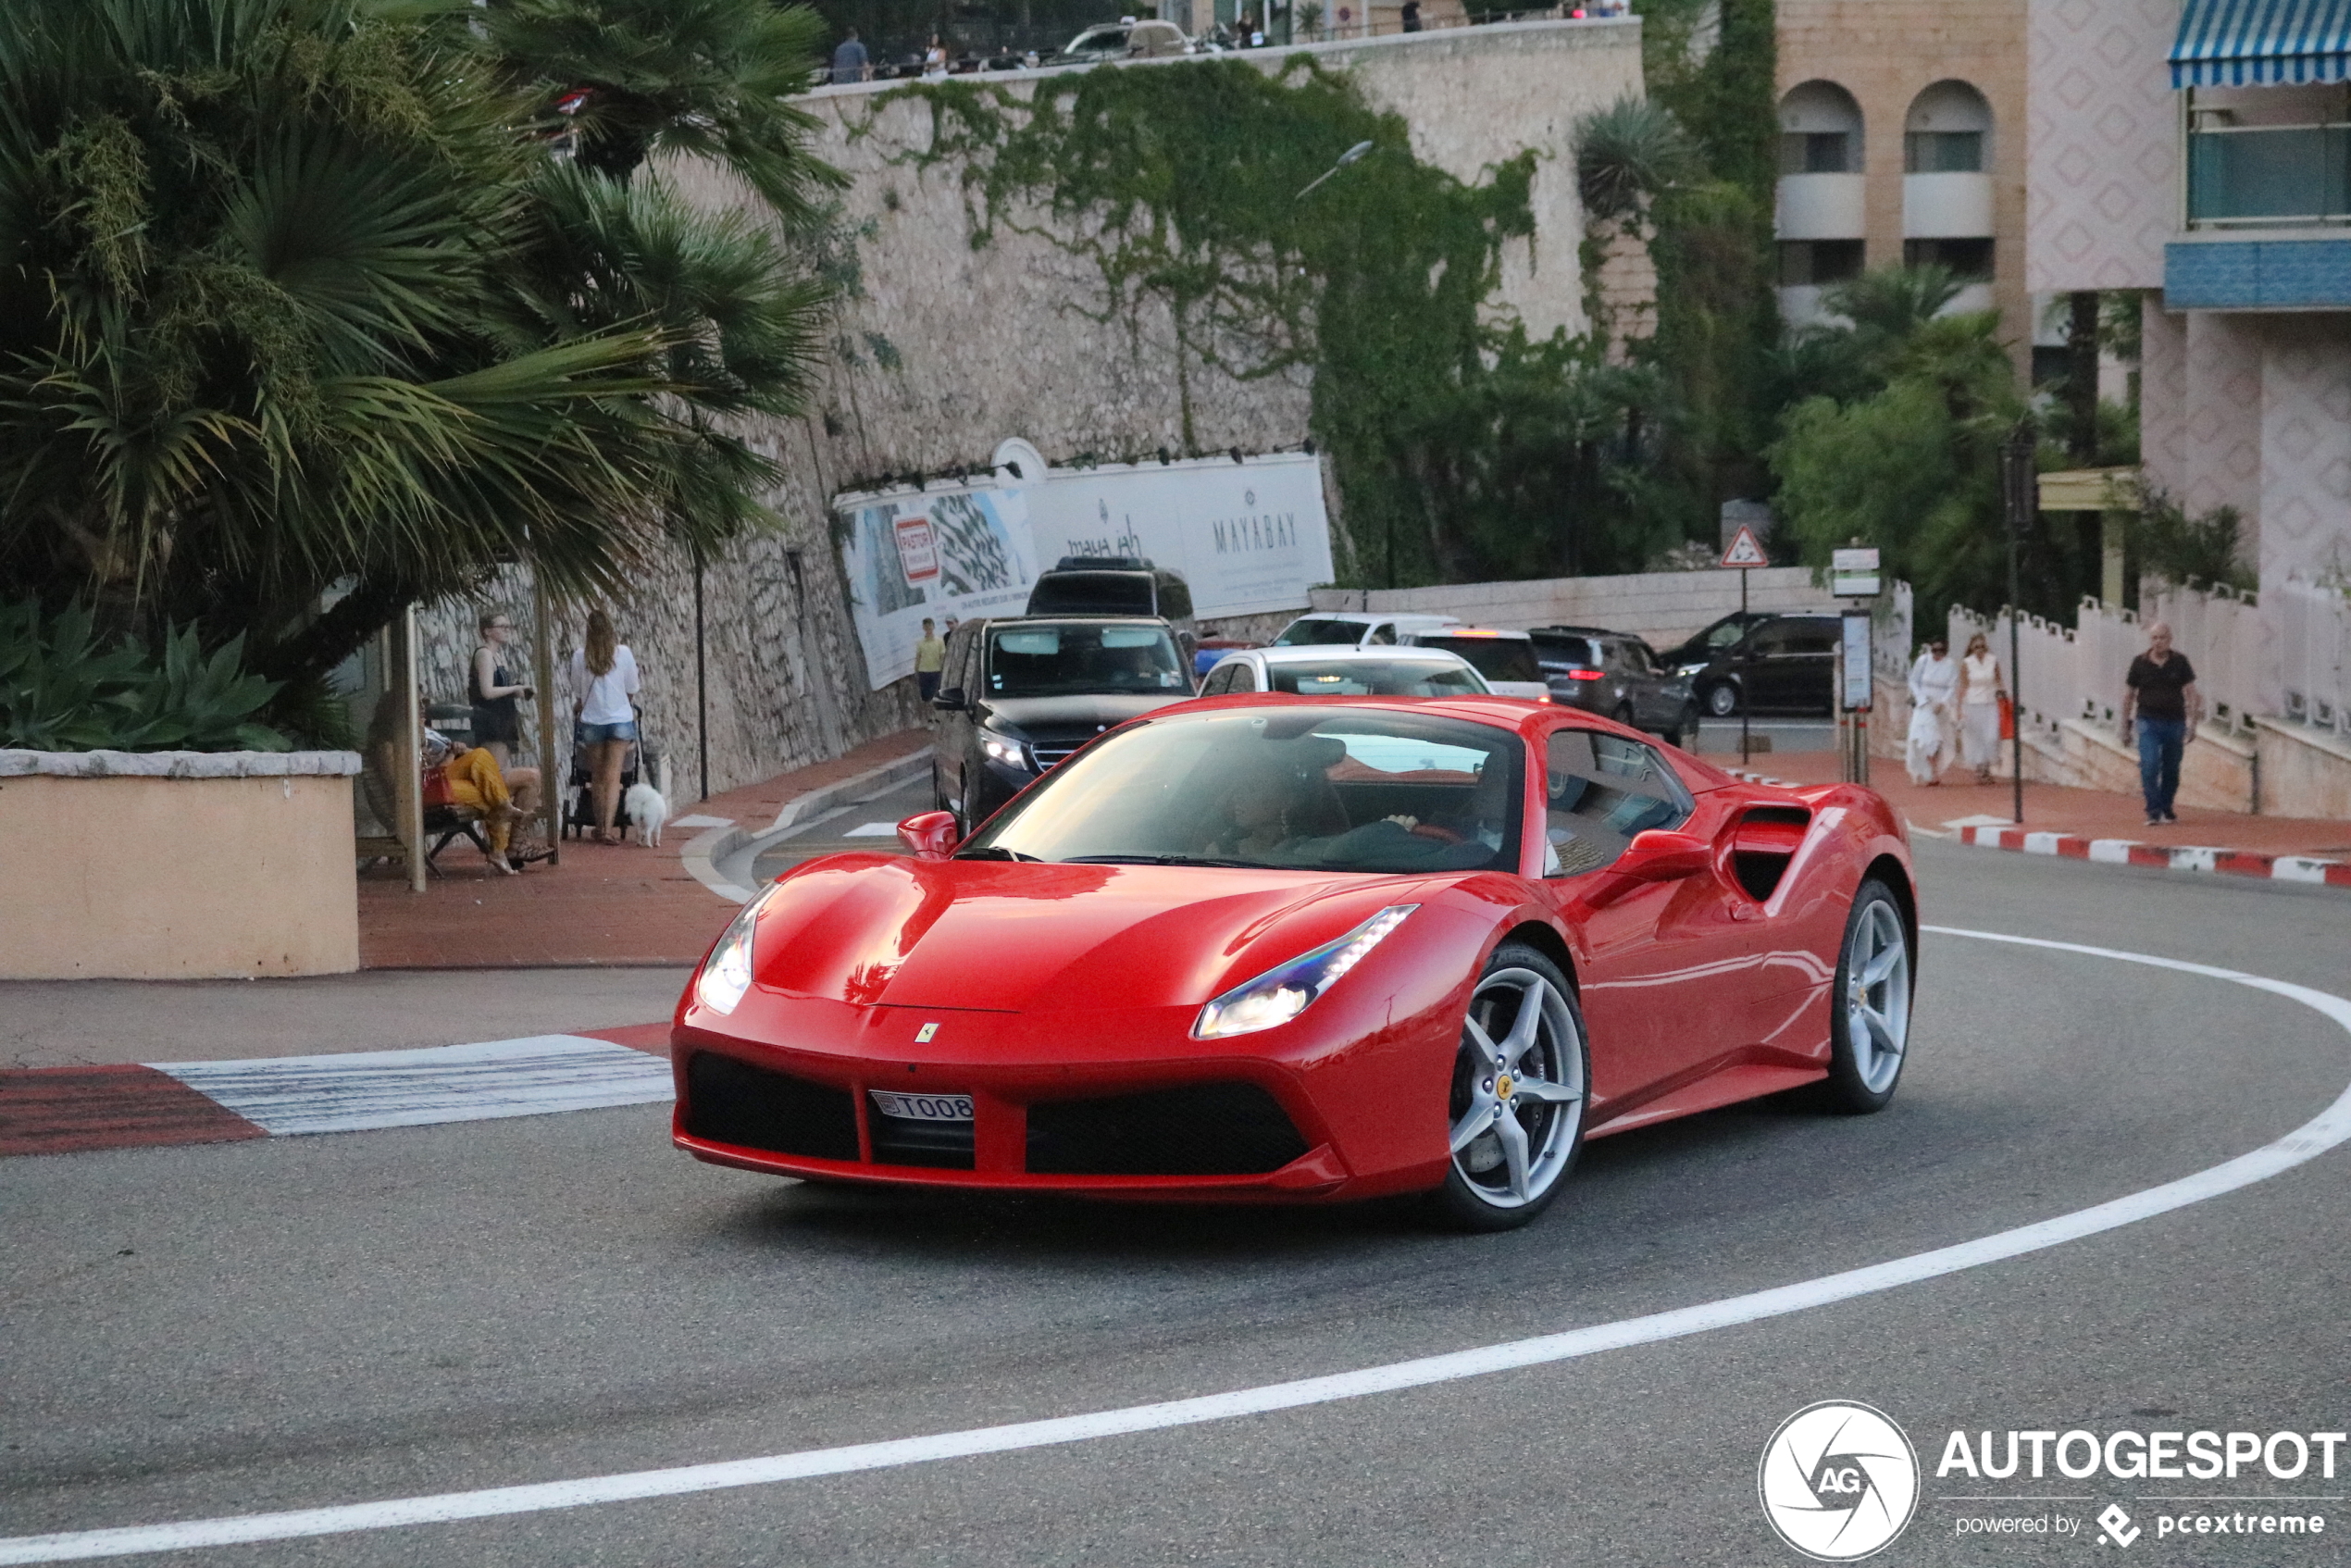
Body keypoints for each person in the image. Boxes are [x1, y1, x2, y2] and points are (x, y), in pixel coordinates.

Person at [424, 722, 544, 873]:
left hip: (464, 775)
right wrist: (451, 755)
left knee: (529, 777)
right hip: (438, 784)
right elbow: (426, 772)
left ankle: (514, 841)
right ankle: (499, 846)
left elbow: (465, 755)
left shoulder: (429, 732)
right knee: (485, 774)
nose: (422, 712)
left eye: (422, 708)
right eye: (419, 709)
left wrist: (460, 749)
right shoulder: (407, 737)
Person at [568, 608, 642, 846]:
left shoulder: (581, 656)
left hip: (592, 721)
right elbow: (632, 687)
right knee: (614, 778)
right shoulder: (623, 653)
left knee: (597, 777)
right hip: (620, 719)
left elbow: (578, 690)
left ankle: (599, 826)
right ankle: (608, 829)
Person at [2121, 620, 2201, 826]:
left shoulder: (2180, 662)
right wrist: (2125, 727)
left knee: (2171, 768)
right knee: (2149, 765)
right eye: (2154, 638)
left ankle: (2166, 806)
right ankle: (2153, 810)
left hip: (2174, 722)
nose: (2158, 642)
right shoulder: (2139, 663)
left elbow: (2192, 693)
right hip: (2148, 721)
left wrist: (2193, 724)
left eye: (2162, 637)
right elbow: (2129, 696)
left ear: (2170, 639)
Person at [469, 610, 533, 770]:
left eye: (508, 626)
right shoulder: (484, 654)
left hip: (503, 720)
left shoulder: (497, 656)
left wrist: (520, 691)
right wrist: (514, 688)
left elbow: (500, 688)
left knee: (501, 768)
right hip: (491, 721)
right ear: (488, 631)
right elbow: (487, 691)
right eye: (502, 626)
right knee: (496, 773)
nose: (507, 630)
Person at [1905, 637, 1959, 786]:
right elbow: (1913, 680)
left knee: (1937, 740)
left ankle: (1933, 771)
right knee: (1923, 738)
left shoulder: (1950, 665)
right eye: (1934, 650)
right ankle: (1924, 771)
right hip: (1924, 704)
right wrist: (1920, 698)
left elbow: (1952, 686)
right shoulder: (1923, 661)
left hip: (1940, 704)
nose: (1937, 654)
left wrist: (1943, 702)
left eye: (1941, 651)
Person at [1954, 631, 2006, 785]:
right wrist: (1959, 707)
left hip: (1990, 703)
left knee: (1991, 736)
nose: (1980, 650)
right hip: (1972, 703)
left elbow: (1998, 680)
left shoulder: (1992, 660)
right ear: (1971, 648)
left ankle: (1987, 766)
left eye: (1982, 647)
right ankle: (1982, 769)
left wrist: (2002, 694)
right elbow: (1963, 685)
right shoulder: (1967, 663)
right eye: (1977, 647)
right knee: (1976, 739)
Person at [914, 617, 947, 702]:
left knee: (935, 695)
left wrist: (942, 669)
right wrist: (916, 671)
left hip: (936, 671)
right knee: (925, 696)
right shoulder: (920, 643)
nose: (928, 629)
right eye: (926, 627)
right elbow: (918, 658)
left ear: (933, 627)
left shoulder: (939, 641)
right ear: (923, 628)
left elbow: (942, 656)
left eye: (930, 626)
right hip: (923, 672)